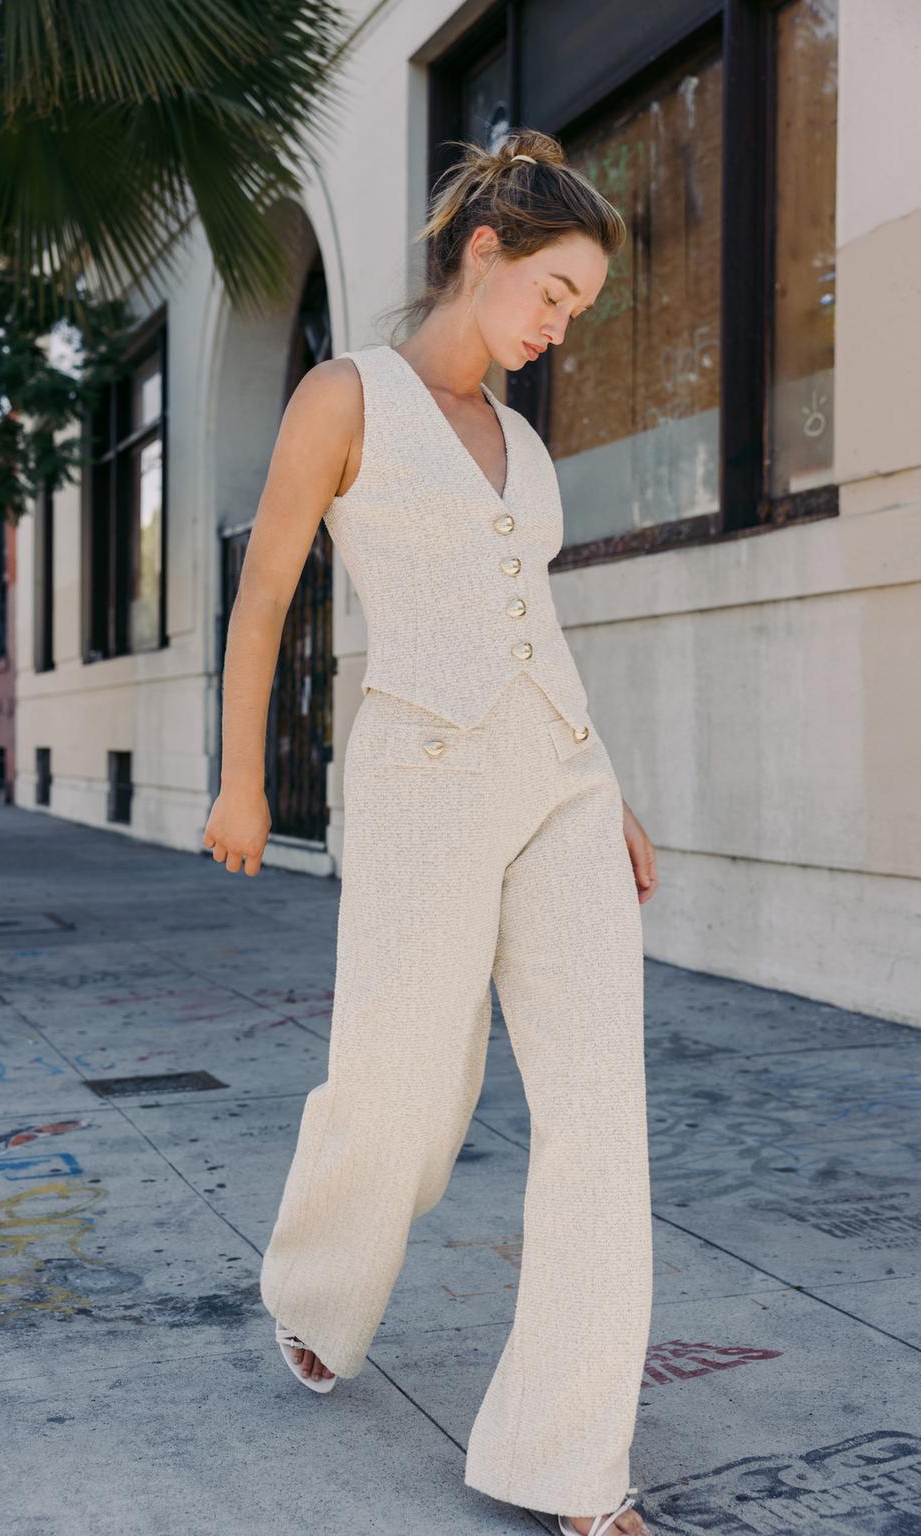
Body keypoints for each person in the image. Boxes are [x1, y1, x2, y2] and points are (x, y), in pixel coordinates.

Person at [202, 127, 658, 1536]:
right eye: (554, 292)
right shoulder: (347, 396)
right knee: (404, 1089)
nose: (560, 325)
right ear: (484, 252)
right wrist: (238, 779)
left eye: (579, 308)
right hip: (423, 776)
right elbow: (266, 598)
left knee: (600, 1113)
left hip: (560, 784)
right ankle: (321, 1290)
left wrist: (613, 791)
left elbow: (540, 630)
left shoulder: (524, 440)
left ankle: (572, 1465)